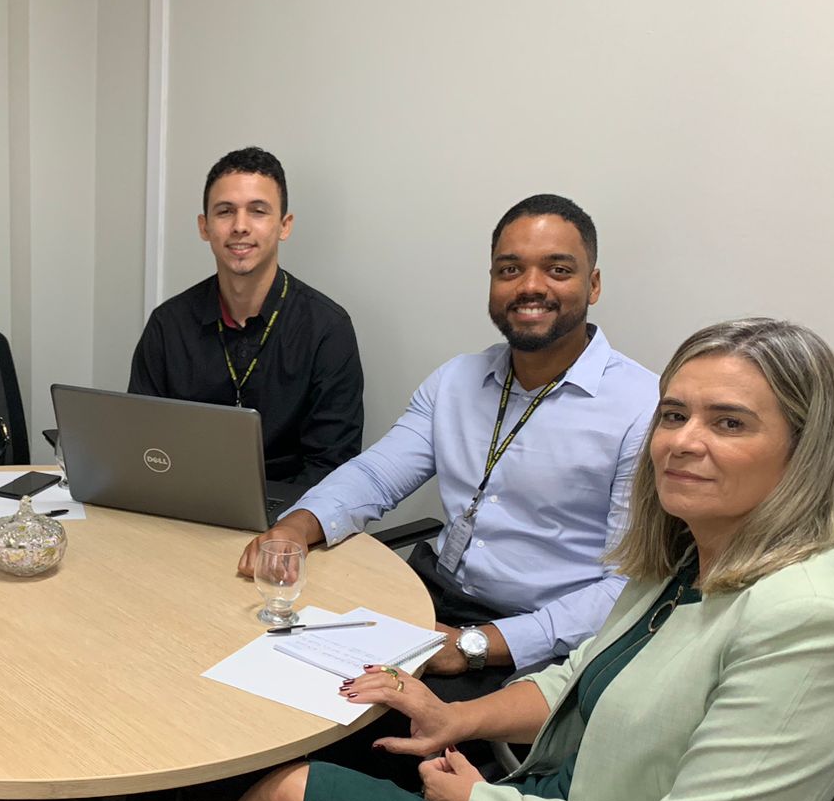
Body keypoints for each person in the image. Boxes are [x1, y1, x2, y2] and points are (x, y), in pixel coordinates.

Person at [65, 317, 834, 801]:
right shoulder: (694, 552)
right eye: (675, 415)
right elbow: (579, 675)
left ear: (802, 446)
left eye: (730, 423)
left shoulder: (811, 623)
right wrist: (451, 720)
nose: (685, 440)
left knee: (296, 796)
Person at [241, 193, 657, 693]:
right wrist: (293, 529)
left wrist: (476, 645)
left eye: (557, 270)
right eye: (509, 270)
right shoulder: (456, 381)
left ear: (593, 284)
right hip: (428, 598)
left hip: (536, 643)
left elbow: (628, 587)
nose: (530, 287)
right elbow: (375, 475)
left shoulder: (644, 409)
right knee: (266, 660)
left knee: (349, 726)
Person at [129, 146, 364, 485]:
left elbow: (332, 466)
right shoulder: (168, 325)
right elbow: (143, 443)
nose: (240, 226)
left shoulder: (327, 329)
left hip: (289, 516)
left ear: (284, 225)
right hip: (184, 505)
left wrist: (285, 527)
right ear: (204, 227)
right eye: (225, 211)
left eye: (258, 211)